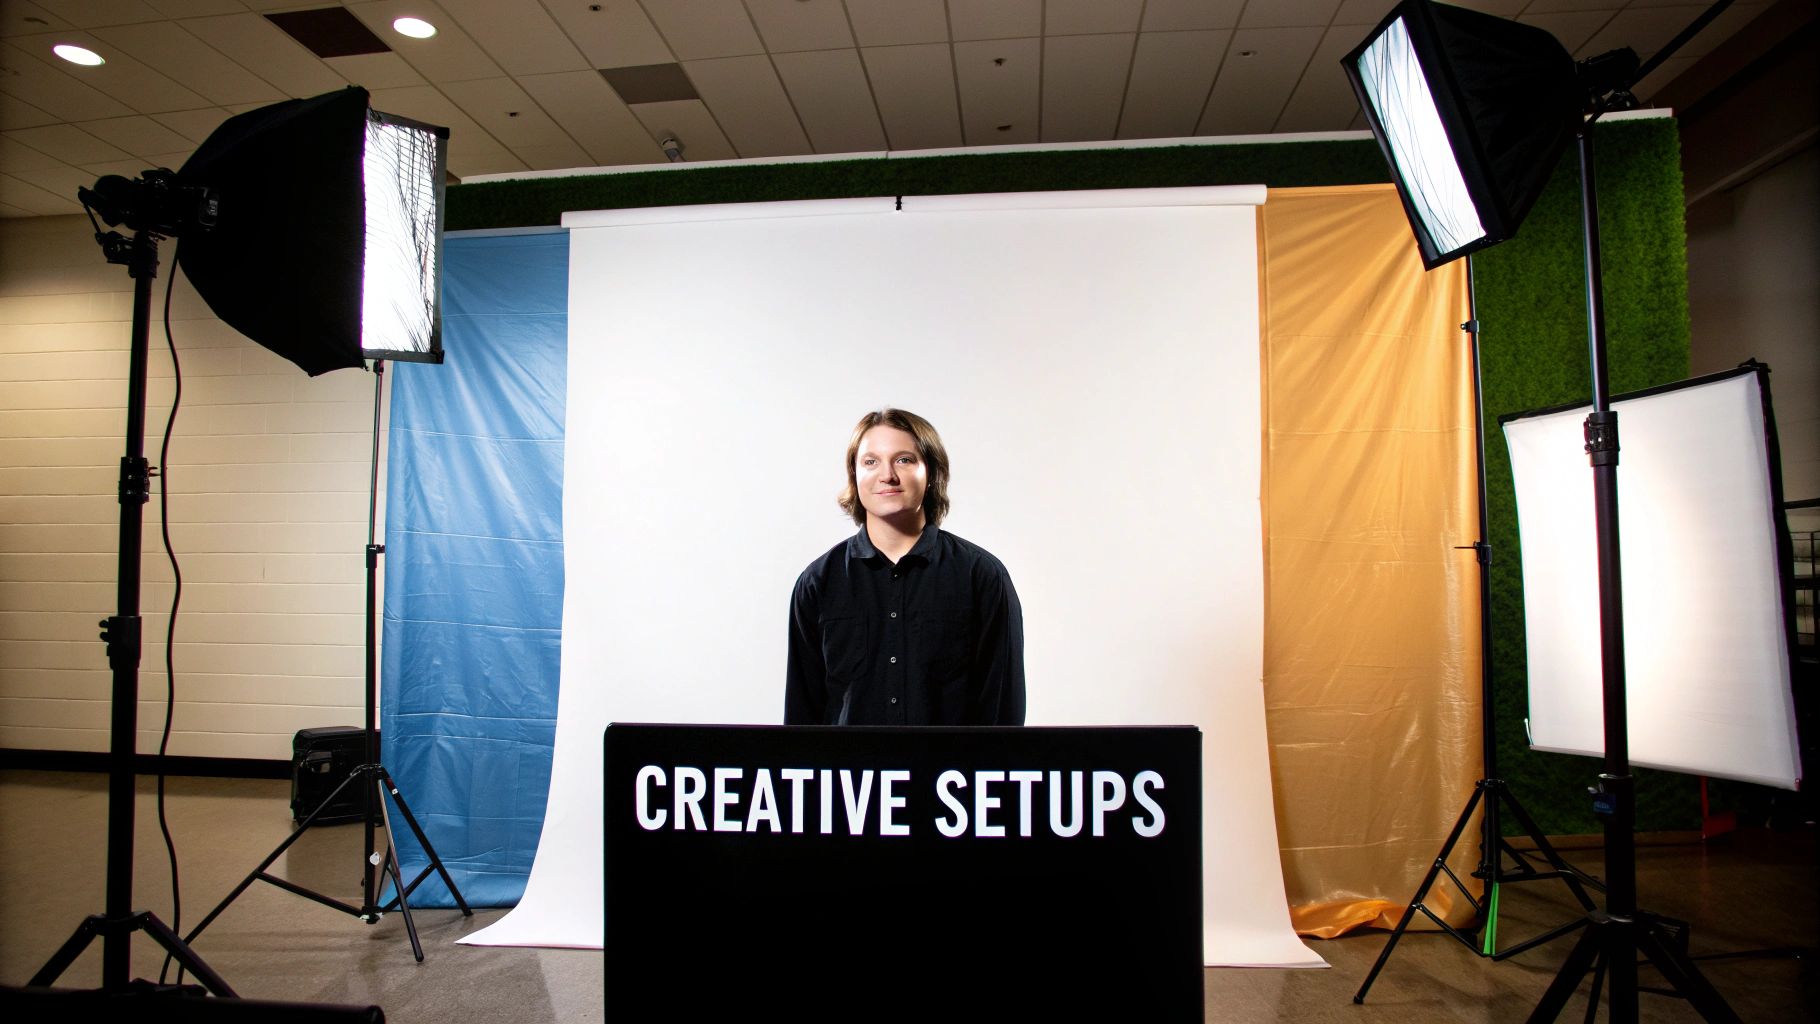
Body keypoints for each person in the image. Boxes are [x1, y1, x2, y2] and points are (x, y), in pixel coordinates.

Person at [785, 409, 1025, 726]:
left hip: (950, 774)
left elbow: (1002, 712)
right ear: (854, 476)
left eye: (904, 460)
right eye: (870, 462)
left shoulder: (981, 577)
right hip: (852, 775)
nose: (887, 475)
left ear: (932, 474)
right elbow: (802, 717)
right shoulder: (817, 582)